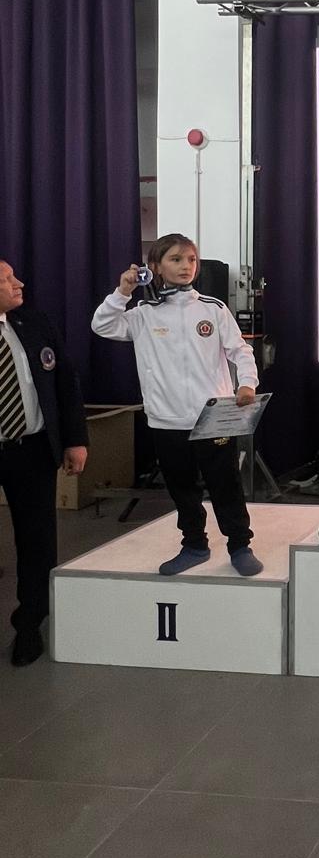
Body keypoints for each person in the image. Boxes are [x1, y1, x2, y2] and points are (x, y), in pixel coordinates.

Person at [92, 233, 262, 577]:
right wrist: (122, 291)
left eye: (191, 260)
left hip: (213, 416)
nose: (186, 266)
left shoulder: (213, 308)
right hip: (166, 419)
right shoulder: (142, 314)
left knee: (226, 484)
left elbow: (240, 350)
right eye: (176, 259)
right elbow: (102, 325)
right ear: (155, 267)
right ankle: (195, 544)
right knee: (182, 488)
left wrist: (247, 383)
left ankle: (240, 545)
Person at [0, 261, 89, 666]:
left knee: (36, 539)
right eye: (7, 279)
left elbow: (65, 383)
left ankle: (30, 622)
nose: (19, 283)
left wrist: (75, 440)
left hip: (32, 449)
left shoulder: (35, 324)